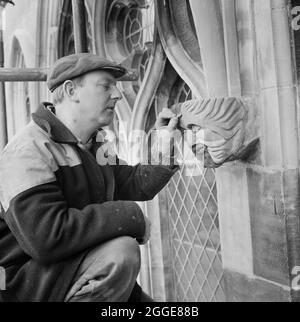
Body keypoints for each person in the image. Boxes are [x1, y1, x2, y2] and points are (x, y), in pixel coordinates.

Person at [0, 53, 181, 302]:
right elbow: (47, 238)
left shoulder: (93, 144)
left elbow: (135, 183)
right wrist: (132, 217)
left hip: (71, 272)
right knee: (122, 252)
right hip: (24, 286)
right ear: (71, 90)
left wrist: (163, 145)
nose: (117, 94)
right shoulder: (28, 151)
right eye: (106, 85)